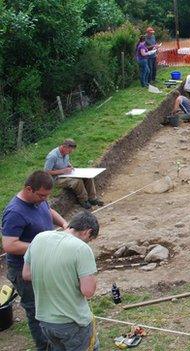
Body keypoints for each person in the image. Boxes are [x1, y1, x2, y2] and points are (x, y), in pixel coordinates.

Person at [2, 171, 68, 350]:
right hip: (23, 271)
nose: (44, 199)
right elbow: (9, 245)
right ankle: (44, 347)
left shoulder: (39, 200)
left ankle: (55, 341)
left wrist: (64, 224)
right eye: (42, 195)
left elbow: (49, 210)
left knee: (49, 305)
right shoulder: (15, 212)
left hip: (43, 263)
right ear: (29, 189)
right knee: (35, 311)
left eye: (47, 196)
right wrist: (42, 244)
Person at [22, 211, 99, 351]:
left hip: (45, 320)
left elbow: (26, 274)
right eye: (91, 238)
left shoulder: (40, 238)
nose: (89, 242)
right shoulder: (81, 248)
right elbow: (88, 291)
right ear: (88, 232)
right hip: (73, 322)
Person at [44, 139, 104, 210]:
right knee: (77, 181)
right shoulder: (52, 156)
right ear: (64, 147)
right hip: (56, 179)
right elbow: (46, 172)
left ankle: (92, 198)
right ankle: (83, 200)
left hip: (65, 174)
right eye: (69, 151)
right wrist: (63, 171)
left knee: (88, 177)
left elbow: (66, 161)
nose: (70, 153)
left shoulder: (65, 153)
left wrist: (69, 165)